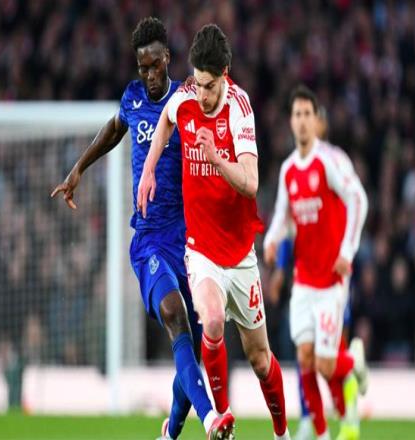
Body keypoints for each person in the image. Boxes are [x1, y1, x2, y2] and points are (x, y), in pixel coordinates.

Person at [51, 17, 232, 440]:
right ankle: (211, 419)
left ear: (168, 58)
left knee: (197, 340)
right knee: (174, 315)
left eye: (154, 65)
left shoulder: (186, 101)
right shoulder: (132, 98)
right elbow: (115, 128)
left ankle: (170, 433)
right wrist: (78, 169)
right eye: (142, 67)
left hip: (190, 239)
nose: (148, 75)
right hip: (149, 239)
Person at [138, 24, 290, 440]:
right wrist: (149, 169)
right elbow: (166, 122)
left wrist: (215, 158)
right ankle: (221, 421)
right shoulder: (186, 97)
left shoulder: (239, 108)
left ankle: (282, 434)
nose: (202, 94)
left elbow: (251, 183)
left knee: (260, 359)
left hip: (240, 255)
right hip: (200, 248)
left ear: (224, 74)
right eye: (198, 83)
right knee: (212, 320)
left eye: (209, 86)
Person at [264, 85, 369, 440]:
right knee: (305, 359)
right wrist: (271, 240)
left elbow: (359, 200)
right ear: (291, 122)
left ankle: (354, 363)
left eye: (307, 114)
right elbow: (282, 215)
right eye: (297, 114)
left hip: (331, 281)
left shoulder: (330, 161)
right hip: (304, 280)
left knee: (326, 363)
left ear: (316, 120)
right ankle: (321, 434)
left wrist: (347, 252)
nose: (302, 121)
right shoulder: (288, 170)